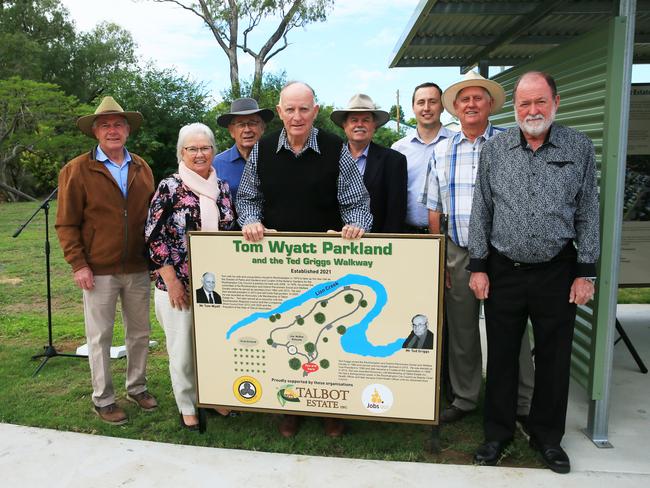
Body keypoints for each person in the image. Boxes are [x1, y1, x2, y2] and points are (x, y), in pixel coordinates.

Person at [468, 71, 600, 473]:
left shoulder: (578, 147)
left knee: (555, 359)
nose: (532, 110)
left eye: (540, 101)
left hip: (556, 271)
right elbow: (481, 209)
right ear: (515, 108)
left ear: (555, 102)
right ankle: (497, 434)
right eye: (524, 103)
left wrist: (586, 272)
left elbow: (588, 212)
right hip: (503, 269)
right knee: (504, 356)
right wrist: (478, 266)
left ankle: (548, 438)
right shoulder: (496, 149)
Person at [237, 81, 372, 437]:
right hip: (279, 264)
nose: (297, 116)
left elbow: (357, 203)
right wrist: (251, 221)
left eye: (304, 109)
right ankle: (289, 407)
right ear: (279, 112)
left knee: (327, 331)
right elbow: (248, 199)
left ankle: (332, 409)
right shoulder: (262, 150)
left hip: (327, 262)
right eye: (290, 109)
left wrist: (355, 227)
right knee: (287, 332)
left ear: (314, 111)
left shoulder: (335, 148)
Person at [423, 71, 534, 425]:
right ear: (454, 108)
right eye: (464, 99)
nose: (471, 104)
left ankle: (522, 401)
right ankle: (466, 397)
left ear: (490, 104)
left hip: (504, 253)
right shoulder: (441, 151)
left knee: (512, 328)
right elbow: (434, 208)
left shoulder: (512, 143)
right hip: (459, 251)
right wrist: (441, 258)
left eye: (478, 98)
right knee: (462, 330)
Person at [56, 96, 157, 425]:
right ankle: (103, 399)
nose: (112, 130)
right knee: (99, 337)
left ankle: (137, 387)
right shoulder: (77, 170)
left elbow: (152, 219)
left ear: (127, 130)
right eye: (105, 125)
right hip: (97, 270)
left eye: (118, 124)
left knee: (140, 334)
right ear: (95, 132)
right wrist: (78, 264)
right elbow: (66, 223)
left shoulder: (142, 167)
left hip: (138, 267)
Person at [145, 123, 235, 430]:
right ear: (182, 153)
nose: (200, 154)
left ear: (214, 150)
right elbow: (152, 237)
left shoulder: (221, 187)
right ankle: (187, 404)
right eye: (192, 149)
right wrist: (172, 282)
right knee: (182, 351)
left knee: (213, 345)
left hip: (213, 285)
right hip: (177, 286)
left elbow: (230, 232)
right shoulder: (169, 187)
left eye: (205, 148)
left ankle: (213, 396)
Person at [330, 93, 407, 233]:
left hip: (376, 245)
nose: (360, 125)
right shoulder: (329, 158)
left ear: (374, 125)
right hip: (333, 243)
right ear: (344, 125)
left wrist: (388, 246)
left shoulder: (394, 161)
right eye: (354, 120)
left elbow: (395, 212)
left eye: (366, 120)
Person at [392, 82, 455, 233]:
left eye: (433, 102)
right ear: (413, 107)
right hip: (407, 234)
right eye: (421, 102)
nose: (426, 108)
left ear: (442, 106)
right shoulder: (398, 149)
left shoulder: (456, 145)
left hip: (449, 235)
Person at [212, 98, 274, 207]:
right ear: (231, 131)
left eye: (252, 123)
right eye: (241, 125)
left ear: (262, 128)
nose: (247, 130)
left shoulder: (277, 159)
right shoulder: (216, 164)